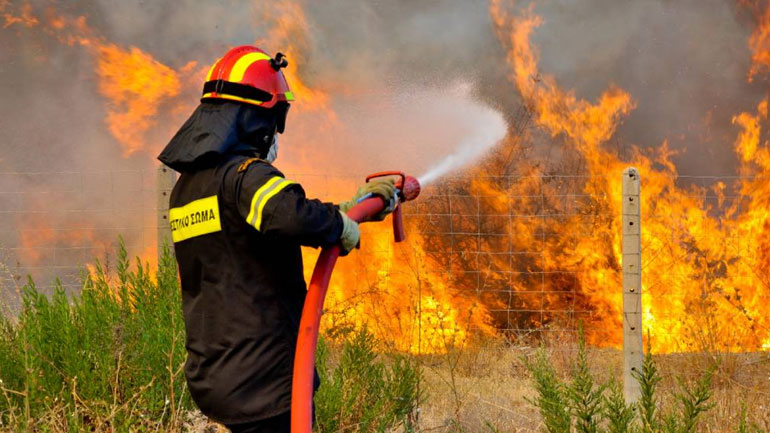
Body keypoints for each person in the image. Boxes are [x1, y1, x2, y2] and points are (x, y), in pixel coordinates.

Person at [157, 45, 396, 433]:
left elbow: (267, 221)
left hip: (217, 373)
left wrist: (347, 210)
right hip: (264, 380)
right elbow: (290, 215)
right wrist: (341, 226)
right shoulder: (245, 176)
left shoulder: (189, 189)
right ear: (257, 120)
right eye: (276, 118)